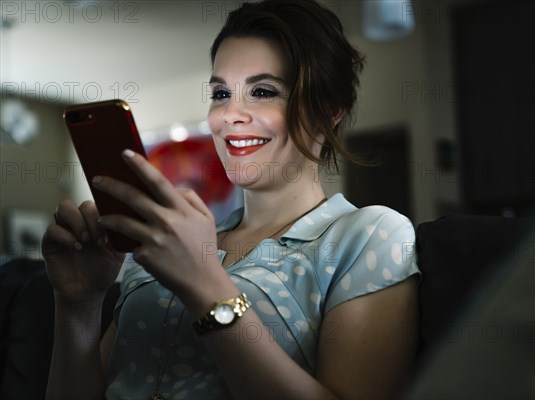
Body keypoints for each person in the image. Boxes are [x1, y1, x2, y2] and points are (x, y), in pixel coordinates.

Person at [43, 1, 420, 399]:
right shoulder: (169, 240)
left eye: (262, 91)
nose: (230, 114)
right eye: (221, 93)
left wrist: (204, 283)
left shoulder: (371, 235)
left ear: (329, 111)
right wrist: (78, 303)